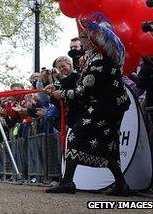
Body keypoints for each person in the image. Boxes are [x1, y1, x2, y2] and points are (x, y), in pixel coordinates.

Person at [45, 14, 131, 196]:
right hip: (106, 107)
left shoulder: (99, 61)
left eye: (84, 37)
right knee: (107, 146)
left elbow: (83, 91)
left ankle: (67, 182)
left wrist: (62, 94)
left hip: (105, 108)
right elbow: (80, 82)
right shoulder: (95, 58)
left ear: (92, 39)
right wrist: (59, 86)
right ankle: (121, 185)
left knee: (76, 136)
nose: (82, 41)